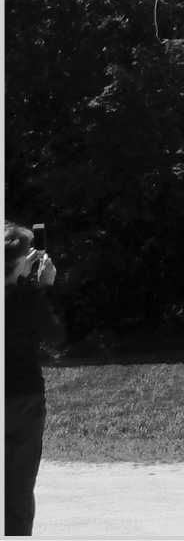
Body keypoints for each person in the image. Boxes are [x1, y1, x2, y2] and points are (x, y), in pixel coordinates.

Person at [5, 224, 63, 537]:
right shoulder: (28, 299)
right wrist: (46, 287)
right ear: (24, 261)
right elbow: (57, 337)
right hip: (24, 400)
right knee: (18, 492)